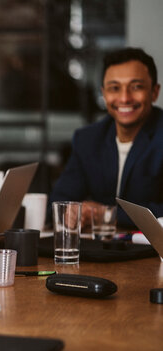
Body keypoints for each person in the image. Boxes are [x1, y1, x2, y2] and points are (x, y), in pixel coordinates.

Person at [49, 47, 163, 228]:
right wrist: (74, 212)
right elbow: (59, 201)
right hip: (100, 251)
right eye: (114, 88)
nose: (124, 98)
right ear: (104, 93)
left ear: (154, 92)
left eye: (136, 87)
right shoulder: (88, 139)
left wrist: (107, 215)